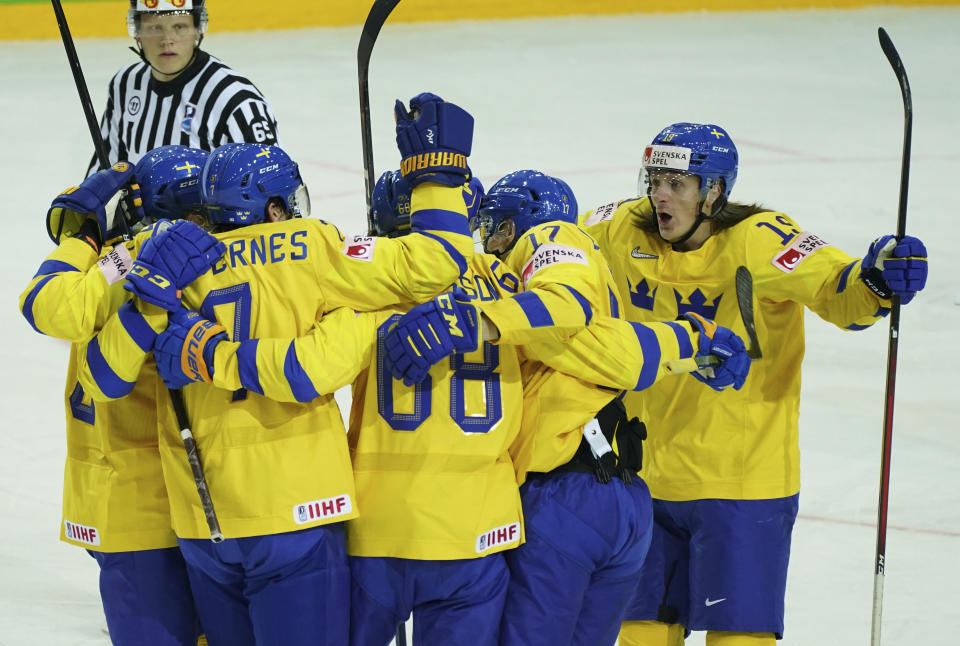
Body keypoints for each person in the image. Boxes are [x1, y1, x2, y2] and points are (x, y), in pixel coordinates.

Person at [73, 93, 478, 645]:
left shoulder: (163, 255)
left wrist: (77, 239)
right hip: (298, 510)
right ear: (274, 208)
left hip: (202, 521)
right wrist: (436, 175)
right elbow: (437, 261)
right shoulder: (311, 246)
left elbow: (101, 375)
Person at [579, 122, 929, 646]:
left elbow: (841, 291)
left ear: (714, 190)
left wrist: (876, 278)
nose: (659, 195)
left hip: (742, 486)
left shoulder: (764, 239)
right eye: (655, 179)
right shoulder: (619, 228)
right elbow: (550, 248)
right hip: (644, 478)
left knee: (738, 640)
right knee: (640, 636)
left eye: (677, 183)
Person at [384, 170, 753, 646]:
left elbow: (567, 309)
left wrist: (479, 320)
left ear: (515, 227)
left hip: (560, 498)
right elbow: (606, 348)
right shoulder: (530, 293)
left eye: (494, 228)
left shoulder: (549, 241)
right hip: (620, 502)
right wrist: (684, 339)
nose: (489, 243)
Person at [19, 147, 211, 646]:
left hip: (127, 496)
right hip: (184, 491)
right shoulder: (195, 253)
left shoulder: (123, 257)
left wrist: (79, 238)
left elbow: (46, 304)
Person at [87, 0, 279, 175]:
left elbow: (272, 184)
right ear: (137, 33)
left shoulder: (236, 99)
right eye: (155, 27)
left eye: (179, 27)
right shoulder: (126, 84)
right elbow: (105, 170)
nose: (167, 39)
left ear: (198, 30)